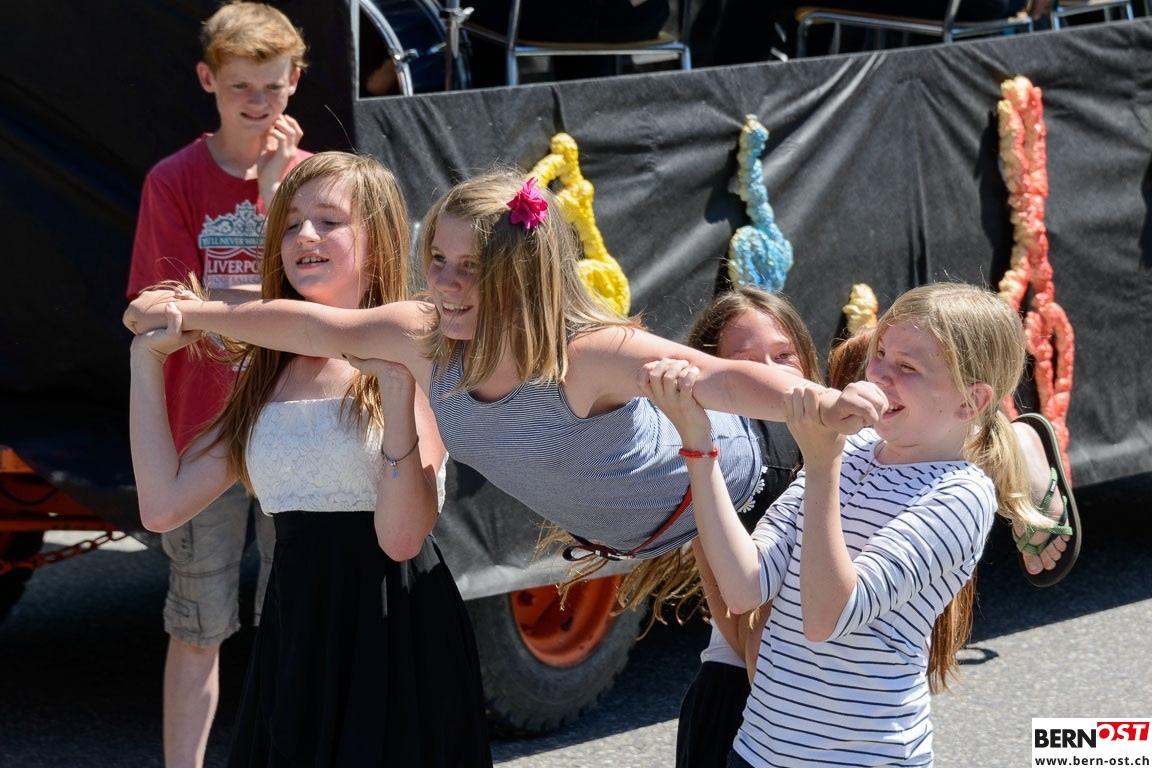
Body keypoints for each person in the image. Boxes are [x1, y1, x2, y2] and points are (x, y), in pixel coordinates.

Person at [124, 168, 886, 567]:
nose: (446, 283)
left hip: (755, 484)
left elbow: (725, 380)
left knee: (771, 688)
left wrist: (819, 402)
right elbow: (310, 323)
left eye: (471, 268)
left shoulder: (587, 356)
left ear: (522, 279)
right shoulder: (423, 336)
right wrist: (191, 314)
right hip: (650, 538)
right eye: (438, 261)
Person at [129, 152, 492, 767]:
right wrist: (146, 361)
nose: (304, 236)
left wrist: (397, 394)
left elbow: (402, 539)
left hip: (393, 629)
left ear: (378, 241)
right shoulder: (262, 373)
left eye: (329, 220)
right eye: (291, 222)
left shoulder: (418, 340)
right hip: (295, 632)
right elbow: (162, 506)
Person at [643, 282, 1059, 766]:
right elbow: (743, 585)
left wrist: (823, 465)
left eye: (907, 367)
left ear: (970, 402)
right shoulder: (856, 449)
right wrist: (698, 439)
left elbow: (827, 618)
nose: (880, 374)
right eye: (880, 354)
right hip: (758, 750)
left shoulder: (961, 497)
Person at [125, 3, 311, 766]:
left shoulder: (312, 180)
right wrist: (251, 306)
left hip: (298, 423)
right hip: (206, 427)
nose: (259, 103)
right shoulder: (174, 179)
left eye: (273, 85)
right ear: (208, 80)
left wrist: (274, 191)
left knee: (292, 620)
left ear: (296, 80)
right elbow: (157, 305)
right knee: (198, 623)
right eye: (241, 86)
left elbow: (326, 303)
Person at [673, 287, 820, 768]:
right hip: (744, 700)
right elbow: (741, 628)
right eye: (747, 363)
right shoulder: (710, 466)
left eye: (783, 356)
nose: (771, 374)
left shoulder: (840, 448)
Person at [466, 0, 672, 85]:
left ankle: (491, 131)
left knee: (474, 9)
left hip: (553, 19)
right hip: (641, 18)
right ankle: (586, 124)